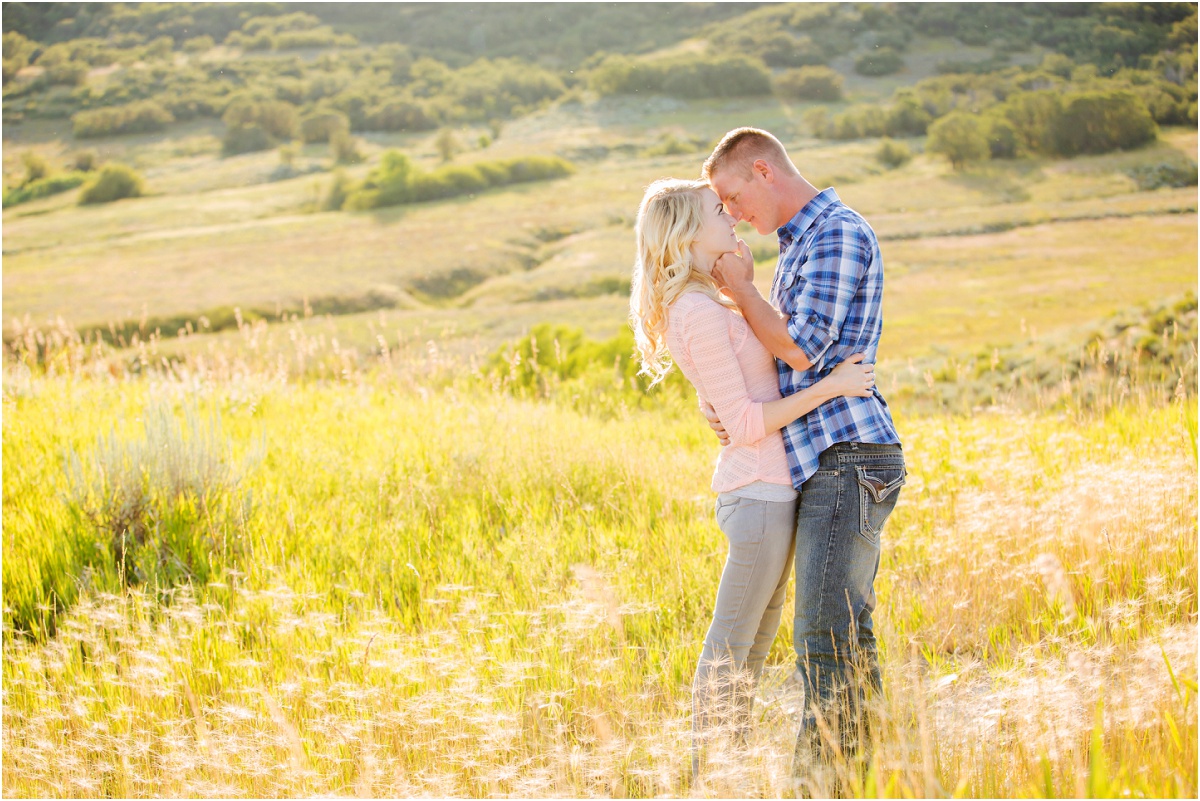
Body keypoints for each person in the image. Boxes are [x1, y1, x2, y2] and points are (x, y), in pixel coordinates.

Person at [628, 177, 877, 781]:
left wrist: (742, 293)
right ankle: (708, 776)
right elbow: (742, 422)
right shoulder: (693, 310)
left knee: (751, 652)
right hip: (757, 495)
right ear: (687, 232)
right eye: (719, 210)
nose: (731, 217)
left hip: (772, 492)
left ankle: (726, 773)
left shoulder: (707, 304)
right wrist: (832, 387)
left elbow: (731, 394)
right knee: (730, 650)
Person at [701, 127, 905, 788]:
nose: (731, 214)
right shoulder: (795, 247)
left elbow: (800, 349)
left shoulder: (835, 233)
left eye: (732, 196)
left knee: (827, 635)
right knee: (831, 632)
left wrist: (740, 290)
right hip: (823, 457)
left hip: (848, 455)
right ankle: (841, 778)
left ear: (763, 170)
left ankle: (828, 786)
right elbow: (780, 368)